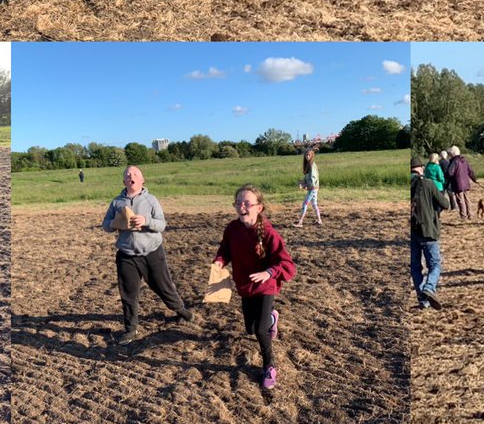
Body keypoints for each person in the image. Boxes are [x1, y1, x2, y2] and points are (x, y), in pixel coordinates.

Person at [213, 185, 296, 391]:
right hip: (245, 285)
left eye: (247, 203)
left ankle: (269, 366)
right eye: (238, 202)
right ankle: (271, 318)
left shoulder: (268, 233)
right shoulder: (232, 228)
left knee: (260, 331)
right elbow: (225, 249)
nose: (242, 206)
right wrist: (219, 261)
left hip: (266, 286)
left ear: (259, 208)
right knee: (250, 329)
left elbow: (286, 264)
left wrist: (268, 273)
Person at [102, 165, 193, 346]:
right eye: (127, 175)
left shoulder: (151, 200)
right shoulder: (116, 202)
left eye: (135, 174)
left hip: (152, 253)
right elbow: (105, 225)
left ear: (142, 180)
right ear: (124, 181)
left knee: (163, 287)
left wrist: (146, 221)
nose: (131, 177)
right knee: (128, 294)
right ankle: (130, 329)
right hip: (126, 255)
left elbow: (162, 224)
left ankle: (180, 309)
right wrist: (116, 222)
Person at [411, 155, 449, 310]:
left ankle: (423, 301)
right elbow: (445, 204)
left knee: (415, 267)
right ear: (421, 168)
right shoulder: (428, 183)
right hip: (428, 230)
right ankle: (429, 288)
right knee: (434, 264)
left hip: (411, 232)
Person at [296, 148, 321, 227]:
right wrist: (303, 182)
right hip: (314, 188)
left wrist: (305, 185)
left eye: (309, 154)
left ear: (312, 155)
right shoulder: (309, 164)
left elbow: (313, 179)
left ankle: (300, 222)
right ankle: (319, 220)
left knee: (305, 204)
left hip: (313, 188)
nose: (307, 156)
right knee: (314, 204)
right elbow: (307, 177)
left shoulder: (311, 165)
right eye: (306, 154)